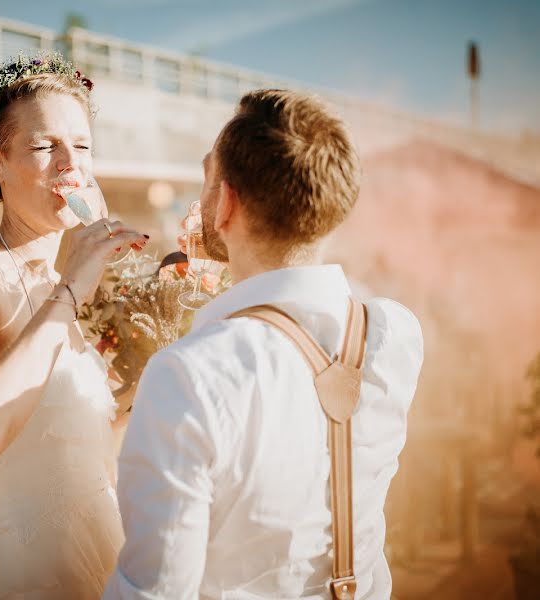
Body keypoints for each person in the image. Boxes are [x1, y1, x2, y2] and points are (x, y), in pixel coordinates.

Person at [105, 89, 424, 599]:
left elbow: (154, 591)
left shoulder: (189, 376)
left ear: (226, 202)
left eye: (208, 176)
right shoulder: (395, 333)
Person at [0, 54, 148, 599]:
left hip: (104, 566)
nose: (73, 165)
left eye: (84, 146)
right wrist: (71, 292)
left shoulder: (72, 288)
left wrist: (164, 366)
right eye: (47, 147)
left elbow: (78, 446)